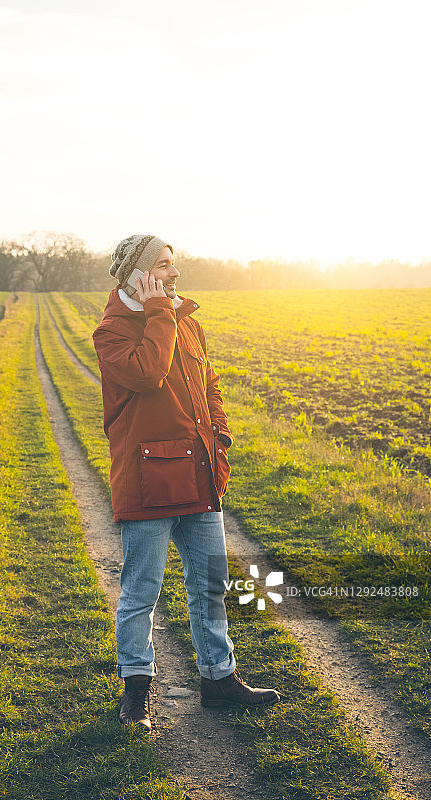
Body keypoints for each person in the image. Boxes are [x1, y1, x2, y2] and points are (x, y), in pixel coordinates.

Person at [92, 234, 280, 732]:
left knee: (210, 585)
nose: (174, 274)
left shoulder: (187, 323)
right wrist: (159, 312)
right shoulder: (112, 332)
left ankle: (219, 679)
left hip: (199, 476)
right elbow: (150, 373)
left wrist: (219, 432)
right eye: (162, 266)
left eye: (174, 264)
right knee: (141, 592)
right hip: (147, 480)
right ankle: (136, 691)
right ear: (136, 274)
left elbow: (209, 382)